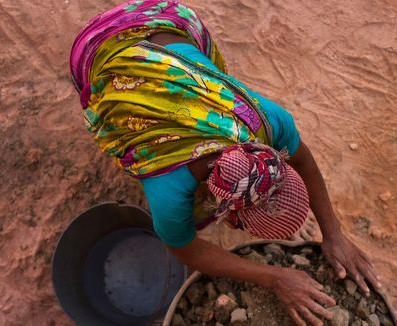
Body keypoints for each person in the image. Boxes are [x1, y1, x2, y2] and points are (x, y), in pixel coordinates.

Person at [70, 1, 381, 325]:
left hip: (170, 22)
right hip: (100, 51)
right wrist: (273, 277)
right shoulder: (167, 187)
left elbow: (304, 160)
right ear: (228, 214)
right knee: (125, 123)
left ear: (273, 157)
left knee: (210, 72)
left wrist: (334, 234)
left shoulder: (269, 121)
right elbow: (184, 249)